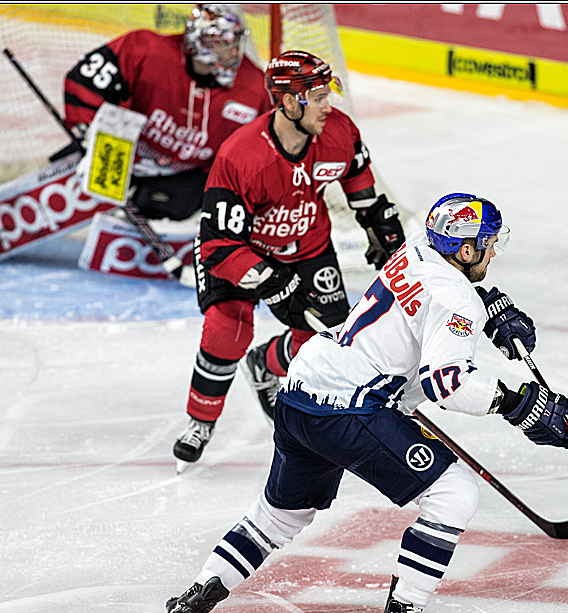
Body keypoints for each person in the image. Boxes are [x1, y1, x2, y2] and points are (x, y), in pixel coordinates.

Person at [161, 193, 568, 613]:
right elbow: (447, 383)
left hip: (300, 390)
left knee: (281, 516)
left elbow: (436, 292)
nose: (491, 252)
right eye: (486, 244)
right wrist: (520, 403)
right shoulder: (456, 296)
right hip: (349, 407)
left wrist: (495, 309)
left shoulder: (419, 247)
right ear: (465, 251)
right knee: (454, 495)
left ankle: (199, 591)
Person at [172, 49, 405, 465]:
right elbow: (218, 244)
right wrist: (273, 283)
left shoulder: (338, 131)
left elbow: (360, 185)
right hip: (238, 249)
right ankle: (200, 421)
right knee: (228, 330)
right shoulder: (241, 155)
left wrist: (379, 229)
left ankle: (265, 363)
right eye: (317, 97)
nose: (327, 105)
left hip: (308, 244)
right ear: (288, 101)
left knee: (322, 336)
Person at [63, 4, 271, 221]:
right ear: (201, 43)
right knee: (76, 187)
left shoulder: (255, 87)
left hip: (185, 178)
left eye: (235, 41)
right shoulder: (146, 50)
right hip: (120, 158)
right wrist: (89, 139)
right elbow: (84, 82)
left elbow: (263, 148)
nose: (235, 52)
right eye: (224, 43)